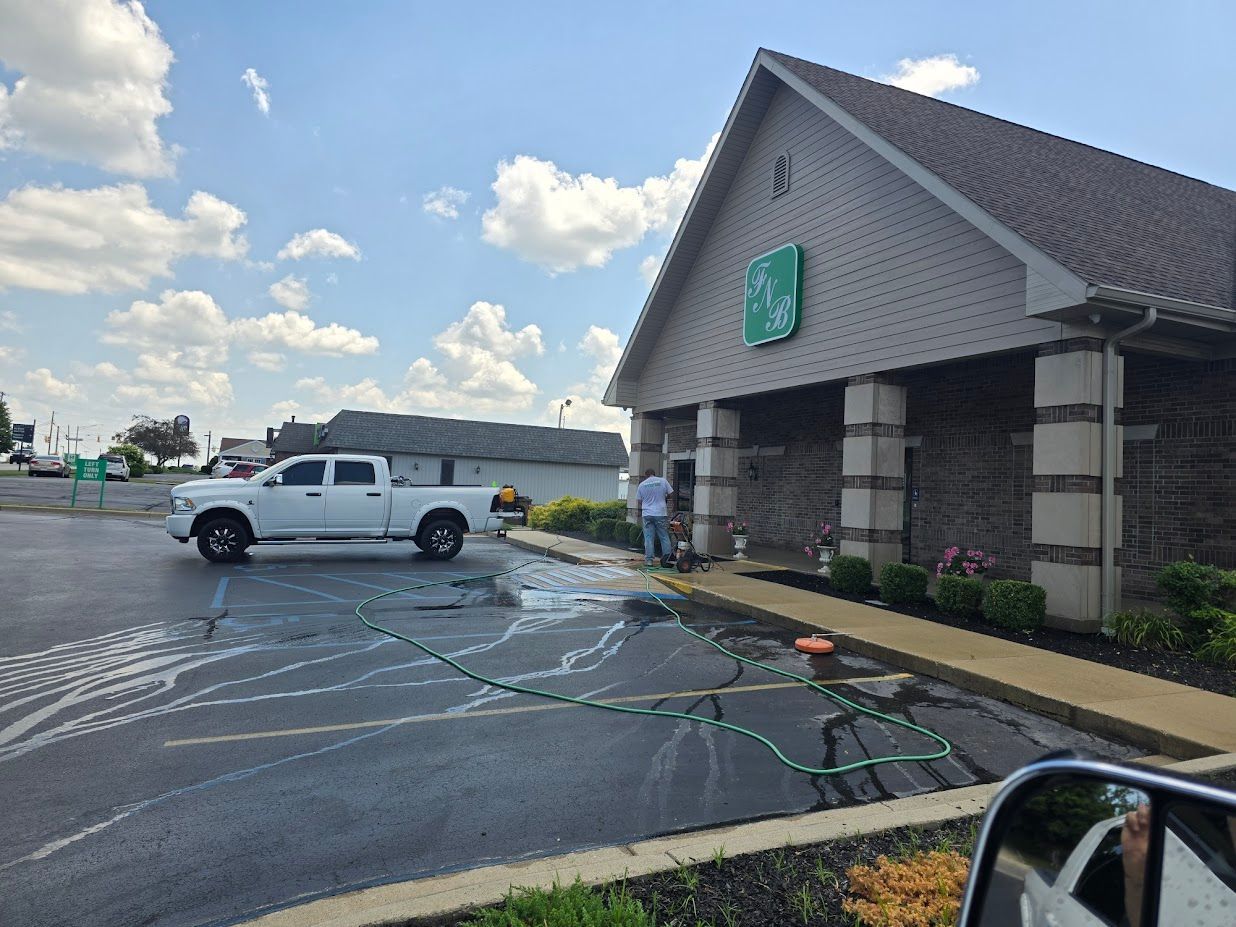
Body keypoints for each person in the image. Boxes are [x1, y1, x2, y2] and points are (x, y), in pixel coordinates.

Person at [635, 468, 673, 567]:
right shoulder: (663, 481)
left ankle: (649, 560)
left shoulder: (642, 485)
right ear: (654, 474)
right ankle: (667, 559)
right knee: (664, 536)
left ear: (646, 475)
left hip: (647, 514)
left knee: (648, 538)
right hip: (660, 513)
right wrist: (664, 498)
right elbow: (671, 494)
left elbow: (639, 501)